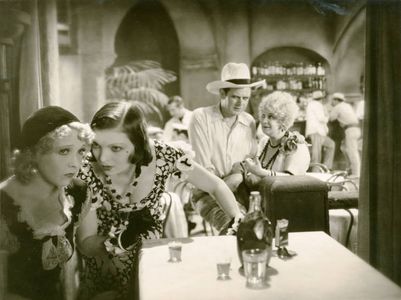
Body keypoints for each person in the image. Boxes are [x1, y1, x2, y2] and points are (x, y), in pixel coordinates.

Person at [76, 101, 242, 300]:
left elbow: (215, 186)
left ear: (138, 143)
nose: (103, 158)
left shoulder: (165, 156)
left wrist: (238, 219)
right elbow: (86, 243)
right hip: (106, 271)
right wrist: (123, 238)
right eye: (96, 145)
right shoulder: (86, 169)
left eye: (116, 148)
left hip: (155, 263)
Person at [0, 106, 94, 300]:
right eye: (64, 151)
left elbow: (88, 245)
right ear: (33, 153)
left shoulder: (77, 192)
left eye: (80, 152)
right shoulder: (3, 203)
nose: (75, 164)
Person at [188, 62, 265, 232]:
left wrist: (240, 173)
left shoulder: (249, 121)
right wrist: (235, 177)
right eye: (235, 97)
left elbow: (250, 160)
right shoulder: (201, 117)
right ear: (222, 93)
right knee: (238, 229)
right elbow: (204, 171)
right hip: (206, 193)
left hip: (241, 189)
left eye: (245, 98)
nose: (241, 103)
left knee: (264, 226)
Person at [240, 91, 311, 181]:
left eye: (271, 117)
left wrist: (260, 173)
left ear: (283, 120)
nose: (264, 121)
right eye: (263, 116)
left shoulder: (296, 146)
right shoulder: (264, 141)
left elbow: (293, 181)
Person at [329, 92, 361, 177]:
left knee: (352, 151)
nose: (332, 102)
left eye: (333, 100)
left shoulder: (338, 107)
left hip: (350, 130)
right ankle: (350, 169)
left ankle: (356, 173)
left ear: (336, 100)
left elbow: (331, 118)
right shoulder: (347, 105)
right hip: (356, 129)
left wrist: (329, 111)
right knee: (344, 148)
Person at [305, 90, 335, 171]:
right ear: (321, 98)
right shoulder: (317, 105)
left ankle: (325, 168)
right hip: (317, 131)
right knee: (317, 153)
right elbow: (322, 118)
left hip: (317, 131)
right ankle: (316, 171)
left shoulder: (311, 104)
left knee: (331, 145)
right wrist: (327, 116)